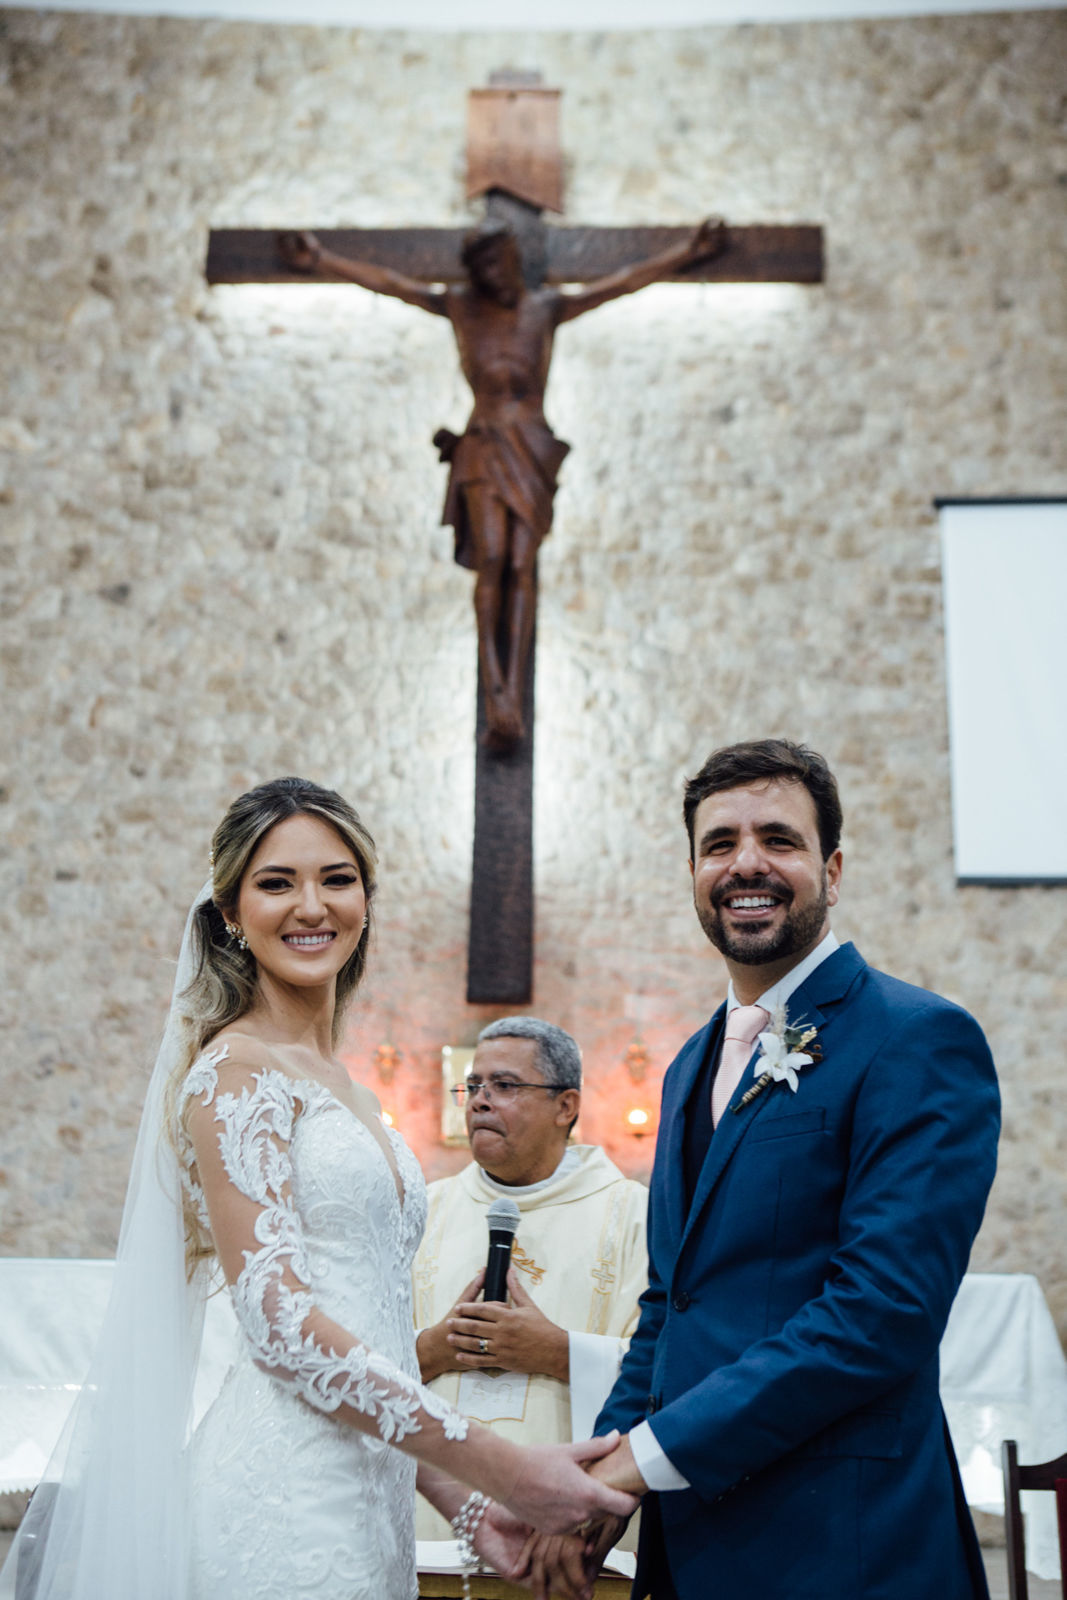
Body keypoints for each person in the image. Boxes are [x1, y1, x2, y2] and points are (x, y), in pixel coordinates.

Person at [0, 777, 636, 1600]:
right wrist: (501, 1466)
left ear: (365, 899)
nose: (311, 906)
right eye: (276, 883)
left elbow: (365, 1333)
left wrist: (462, 1502)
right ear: (230, 911)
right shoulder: (235, 1072)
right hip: (280, 1500)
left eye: (337, 879)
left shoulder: (350, 1090)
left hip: (368, 1498)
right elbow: (282, 1330)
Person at [569, 740, 1000, 1600]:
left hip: (844, 1545)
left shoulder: (915, 1038)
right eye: (718, 844)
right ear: (693, 874)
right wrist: (601, 1479)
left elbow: (880, 1311)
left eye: (778, 839)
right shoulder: (688, 1065)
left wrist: (642, 1461)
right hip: (692, 1545)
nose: (745, 864)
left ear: (831, 871)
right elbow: (669, 1303)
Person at [279, 218, 724, 747]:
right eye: (482, 267)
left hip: (531, 447)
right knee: (491, 558)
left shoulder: (546, 308)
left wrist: (686, 252)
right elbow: (391, 283)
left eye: (498, 261)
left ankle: (512, 686)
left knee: (520, 564)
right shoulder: (460, 307)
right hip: (484, 444)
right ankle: (496, 690)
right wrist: (321, 259)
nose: (492, 274)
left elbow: (622, 282)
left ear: (513, 258)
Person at [413, 1016, 648, 1546]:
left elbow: (672, 1372)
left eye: (504, 1085)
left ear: (566, 1106)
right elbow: (352, 1362)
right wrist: (432, 1349)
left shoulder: (636, 1217)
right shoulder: (424, 1211)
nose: (480, 1101)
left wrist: (559, 1353)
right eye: (473, 1086)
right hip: (426, 1521)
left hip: (569, 1528)